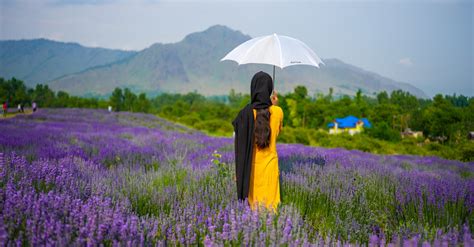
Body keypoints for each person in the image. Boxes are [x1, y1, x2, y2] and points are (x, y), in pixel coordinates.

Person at [232, 71, 283, 212]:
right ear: (269, 89)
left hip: (251, 168)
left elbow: (239, 140)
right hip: (271, 167)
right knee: (271, 211)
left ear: (253, 89)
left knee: (253, 211)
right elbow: (278, 132)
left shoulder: (245, 114)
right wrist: (275, 104)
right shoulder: (278, 112)